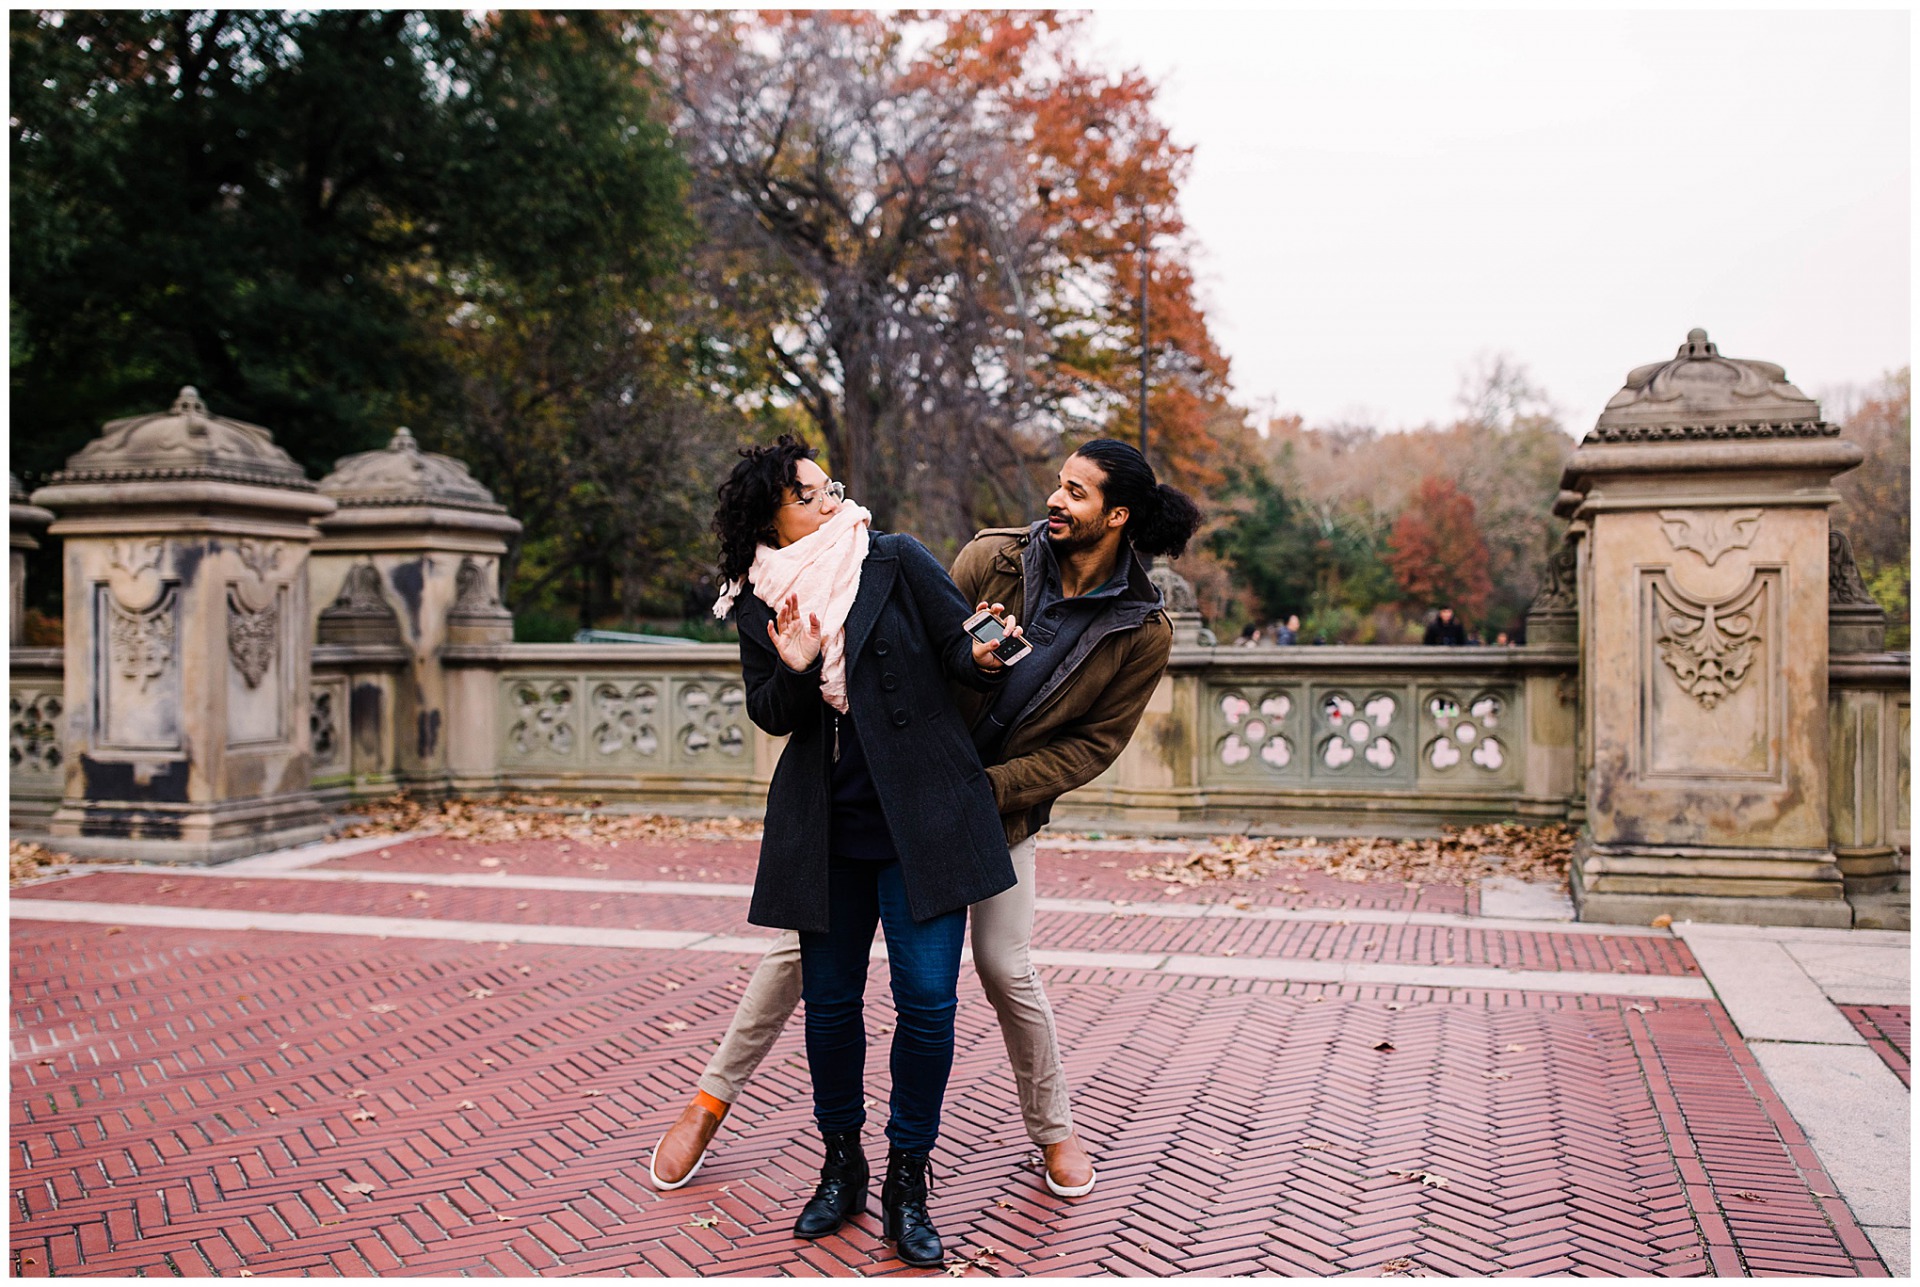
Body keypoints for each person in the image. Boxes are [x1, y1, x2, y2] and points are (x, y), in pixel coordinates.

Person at [650, 438, 1201, 1207]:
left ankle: (1052, 1129)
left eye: (1075, 491)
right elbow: (920, 636)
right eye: (1057, 484)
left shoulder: (1141, 629)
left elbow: (1090, 747)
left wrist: (981, 779)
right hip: (891, 781)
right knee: (801, 966)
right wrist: (960, 652)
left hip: (990, 799)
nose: (1055, 499)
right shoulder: (994, 556)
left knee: (1002, 968)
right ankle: (713, 1103)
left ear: (1116, 515)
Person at [703, 436, 1018, 1267]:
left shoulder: (894, 557)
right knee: (833, 1007)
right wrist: (799, 666)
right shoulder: (758, 599)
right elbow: (771, 711)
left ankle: (908, 1177)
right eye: (809, 494)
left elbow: (960, 649)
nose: (830, 500)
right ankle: (841, 1163)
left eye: (828, 485)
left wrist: (985, 654)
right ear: (772, 514)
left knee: (928, 1004)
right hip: (827, 829)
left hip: (925, 821)